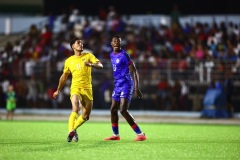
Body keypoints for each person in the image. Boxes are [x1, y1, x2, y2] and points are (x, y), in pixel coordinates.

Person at [53, 37, 103, 142]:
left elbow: (100, 65)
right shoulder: (69, 61)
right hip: (75, 88)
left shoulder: (89, 56)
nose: (81, 44)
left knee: (85, 116)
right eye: (78, 43)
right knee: (75, 108)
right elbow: (64, 77)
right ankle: (70, 131)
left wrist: (90, 64)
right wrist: (58, 90)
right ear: (73, 46)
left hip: (88, 89)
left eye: (82, 43)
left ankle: (73, 130)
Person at [104, 35, 146, 141]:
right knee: (113, 109)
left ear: (120, 43)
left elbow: (134, 71)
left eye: (118, 41)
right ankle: (116, 135)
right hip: (117, 84)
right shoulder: (111, 55)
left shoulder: (124, 55)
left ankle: (141, 134)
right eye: (114, 41)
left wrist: (137, 88)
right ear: (111, 44)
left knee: (123, 110)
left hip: (126, 84)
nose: (116, 43)